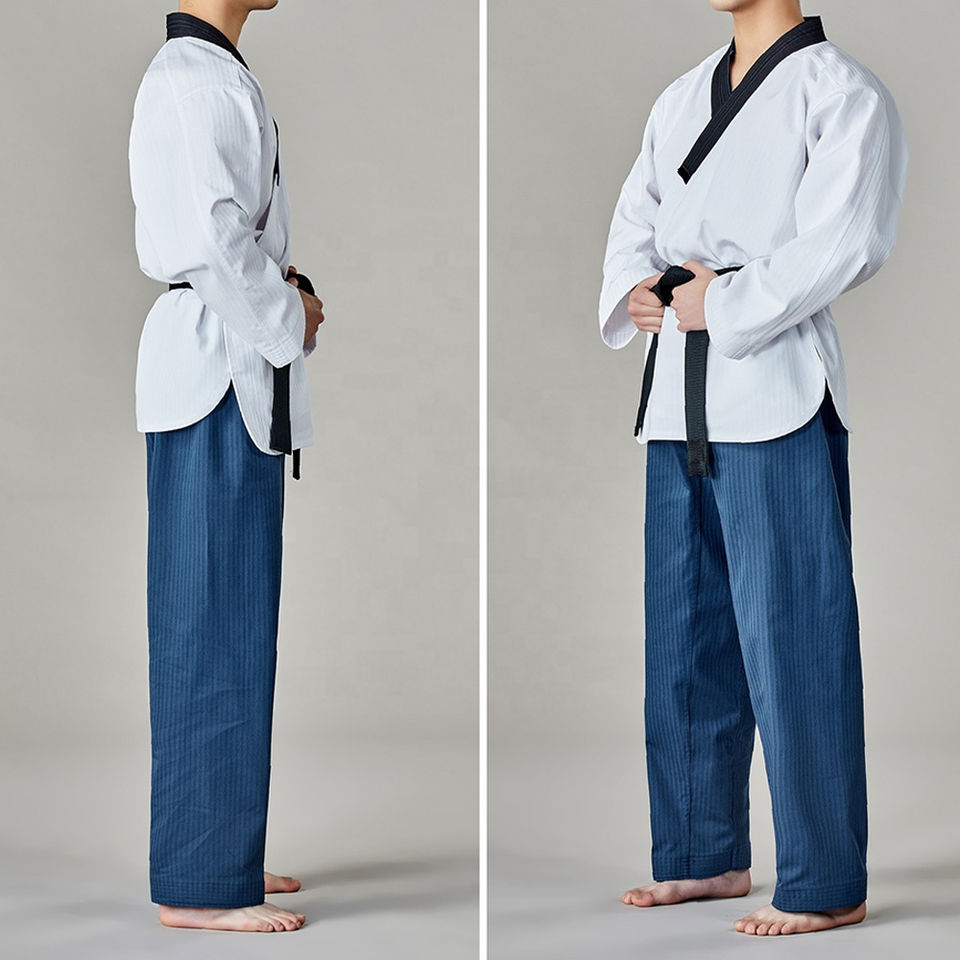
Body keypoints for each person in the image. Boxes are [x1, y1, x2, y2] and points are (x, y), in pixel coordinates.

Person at [598, 0, 908, 937]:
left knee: (795, 634)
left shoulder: (842, 93)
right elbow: (636, 217)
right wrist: (637, 289)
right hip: (676, 394)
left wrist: (723, 302)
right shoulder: (681, 96)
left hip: (776, 386)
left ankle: (826, 880)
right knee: (683, 632)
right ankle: (704, 855)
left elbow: (847, 239)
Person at [128, 0, 325, 933]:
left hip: (222, 361)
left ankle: (219, 845)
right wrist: (290, 317)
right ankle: (200, 883)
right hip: (214, 367)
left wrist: (288, 296)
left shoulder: (210, 74)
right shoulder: (195, 82)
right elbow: (211, 242)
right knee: (209, 620)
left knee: (232, 619)